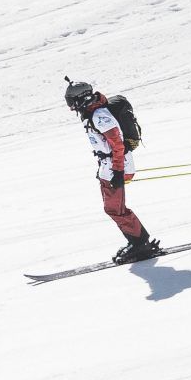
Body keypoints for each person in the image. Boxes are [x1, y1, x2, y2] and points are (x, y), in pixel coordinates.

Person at [64, 78, 160, 263]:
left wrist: (117, 171)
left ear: (79, 99)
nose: (70, 107)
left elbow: (117, 144)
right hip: (108, 167)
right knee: (113, 208)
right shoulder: (92, 114)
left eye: (70, 102)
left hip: (116, 166)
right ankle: (138, 241)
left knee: (115, 209)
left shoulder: (100, 116)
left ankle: (140, 243)